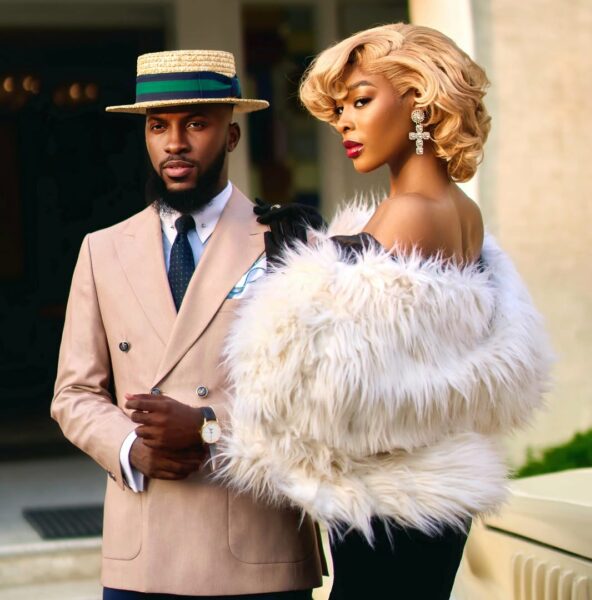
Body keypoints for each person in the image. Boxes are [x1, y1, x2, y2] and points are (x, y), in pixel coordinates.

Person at [218, 24, 552, 599]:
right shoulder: (459, 209)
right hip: (424, 490)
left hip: (388, 496)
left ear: (418, 98)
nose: (344, 123)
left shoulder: (409, 213)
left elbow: (342, 380)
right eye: (339, 109)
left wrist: (291, 293)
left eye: (361, 101)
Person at [51, 49, 324, 599]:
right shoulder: (102, 250)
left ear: (232, 135)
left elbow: (317, 399)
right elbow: (74, 393)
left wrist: (206, 427)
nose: (174, 142)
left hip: (257, 547)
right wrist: (131, 448)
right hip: (143, 548)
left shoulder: (290, 242)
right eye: (159, 126)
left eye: (196, 124)